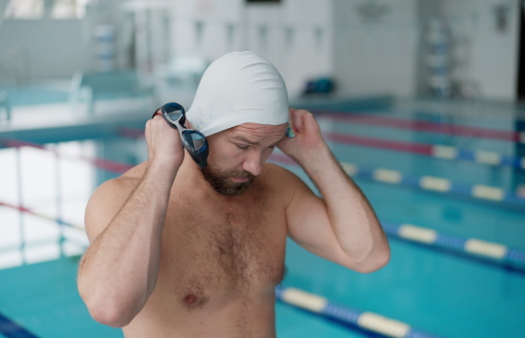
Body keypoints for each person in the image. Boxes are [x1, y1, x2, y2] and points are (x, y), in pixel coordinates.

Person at [77, 51, 390, 337]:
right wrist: (161, 167)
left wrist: (315, 155)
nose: (255, 165)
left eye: (269, 147)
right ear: (198, 129)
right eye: (242, 145)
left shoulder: (275, 189)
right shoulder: (121, 199)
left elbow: (368, 255)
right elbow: (109, 308)